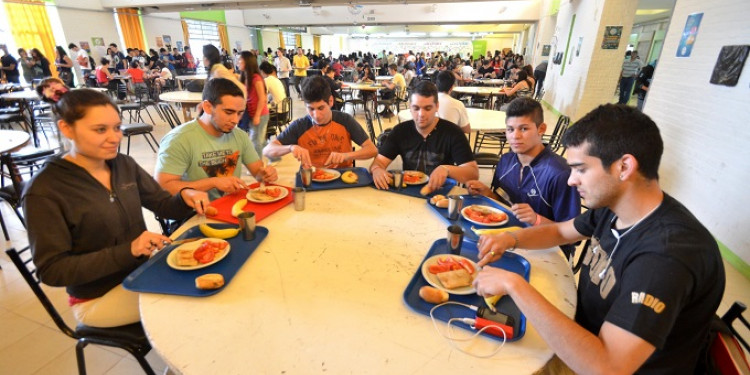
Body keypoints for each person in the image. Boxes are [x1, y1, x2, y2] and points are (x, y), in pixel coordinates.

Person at [473, 104, 725, 374]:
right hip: (581, 333)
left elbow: (608, 367)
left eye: (580, 169)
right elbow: (559, 231)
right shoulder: (614, 207)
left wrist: (515, 285)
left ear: (624, 167)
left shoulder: (666, 257)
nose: (570, 180)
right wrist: (510, 238)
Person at [23, 89, 209, 328]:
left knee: (211, 278)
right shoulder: (45, 189)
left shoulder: (123, 165)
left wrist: (186, 195)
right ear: (66, 128)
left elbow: (163, 205)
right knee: (195, 302)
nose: (114, 138)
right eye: (100, 129)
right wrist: (128, 250)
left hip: (142, 273)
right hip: (97, 296)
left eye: (117, 128)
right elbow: (52, 270)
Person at [467, 98, 580, 253]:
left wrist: (536, 219)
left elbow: (572, 236)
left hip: (547, 250)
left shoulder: (560, 174)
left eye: (524, 129)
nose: (515, 136)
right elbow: (504, 205)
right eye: (510, 129)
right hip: (507, 241)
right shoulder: (506, 161)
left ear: (541, 129)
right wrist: (487, 193)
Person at [155, 78, 277, 201]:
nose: (235, 120)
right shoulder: (179, 140)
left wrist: (265, 174)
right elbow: (163, 187)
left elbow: (258, 172)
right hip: (194, 214)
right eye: (229, 112)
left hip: (231, 208)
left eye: (240, 113)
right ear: (207, 107)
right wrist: (213, 182)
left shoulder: (240, 136)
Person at [371, 81, 478, 191]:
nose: (421, 114)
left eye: (427, 108)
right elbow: (379, 162)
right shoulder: (401, 131)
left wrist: (447, 169)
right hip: (408, 193)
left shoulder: (453, 133)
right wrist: (376, 170)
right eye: (416, 108)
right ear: (410, 107)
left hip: (441, 193)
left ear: (437, 106)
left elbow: (473, 173)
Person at [263, 75, 377, 169]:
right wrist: (290, 148)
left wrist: (347, 156)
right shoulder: (300, 126)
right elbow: (267, 150)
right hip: (313, 177)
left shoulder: (345, 120)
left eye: (321, 108)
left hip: (343, 176)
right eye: (311, 109)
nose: (316, 115)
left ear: (331, 101)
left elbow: (372, 150)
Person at [237, 51, 270, 157]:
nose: (238, 63)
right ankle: (274, 156)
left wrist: (257, 116)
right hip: (250, 113)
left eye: (240, 60)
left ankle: (258, 166)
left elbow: (262, 99)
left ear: (247, 62)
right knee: (260, 139)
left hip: (260, 114)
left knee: (255, 140)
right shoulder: (244, 77)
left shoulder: (256, 78)